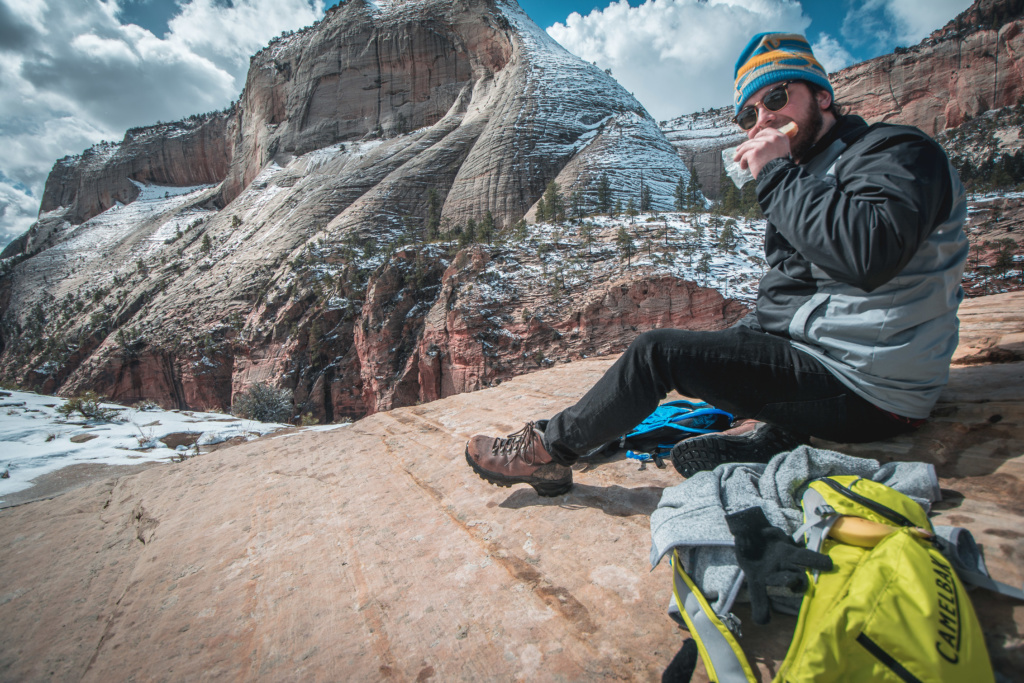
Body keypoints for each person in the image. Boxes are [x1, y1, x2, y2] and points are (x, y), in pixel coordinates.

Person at [465, 32, 968, 497]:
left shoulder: (898, 151)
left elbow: (868, 254)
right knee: (718, 343)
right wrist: (736, 350)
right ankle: (767, 432)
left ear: (821, 96)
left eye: (775, 98)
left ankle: (545, 455)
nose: (763, 119)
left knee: (658, 353)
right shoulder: (812, 171)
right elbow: (794, 286)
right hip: (836, 362)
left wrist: (773, 171)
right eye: (748, 116)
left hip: (869, 388)